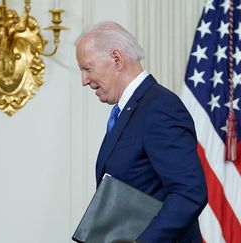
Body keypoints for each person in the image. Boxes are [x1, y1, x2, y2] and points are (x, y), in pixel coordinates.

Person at [75, 21, 208, 242]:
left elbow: (189, 192)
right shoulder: (130, 110)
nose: (84, 80)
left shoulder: (160, 107)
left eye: (87, 68)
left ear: (117, 59)